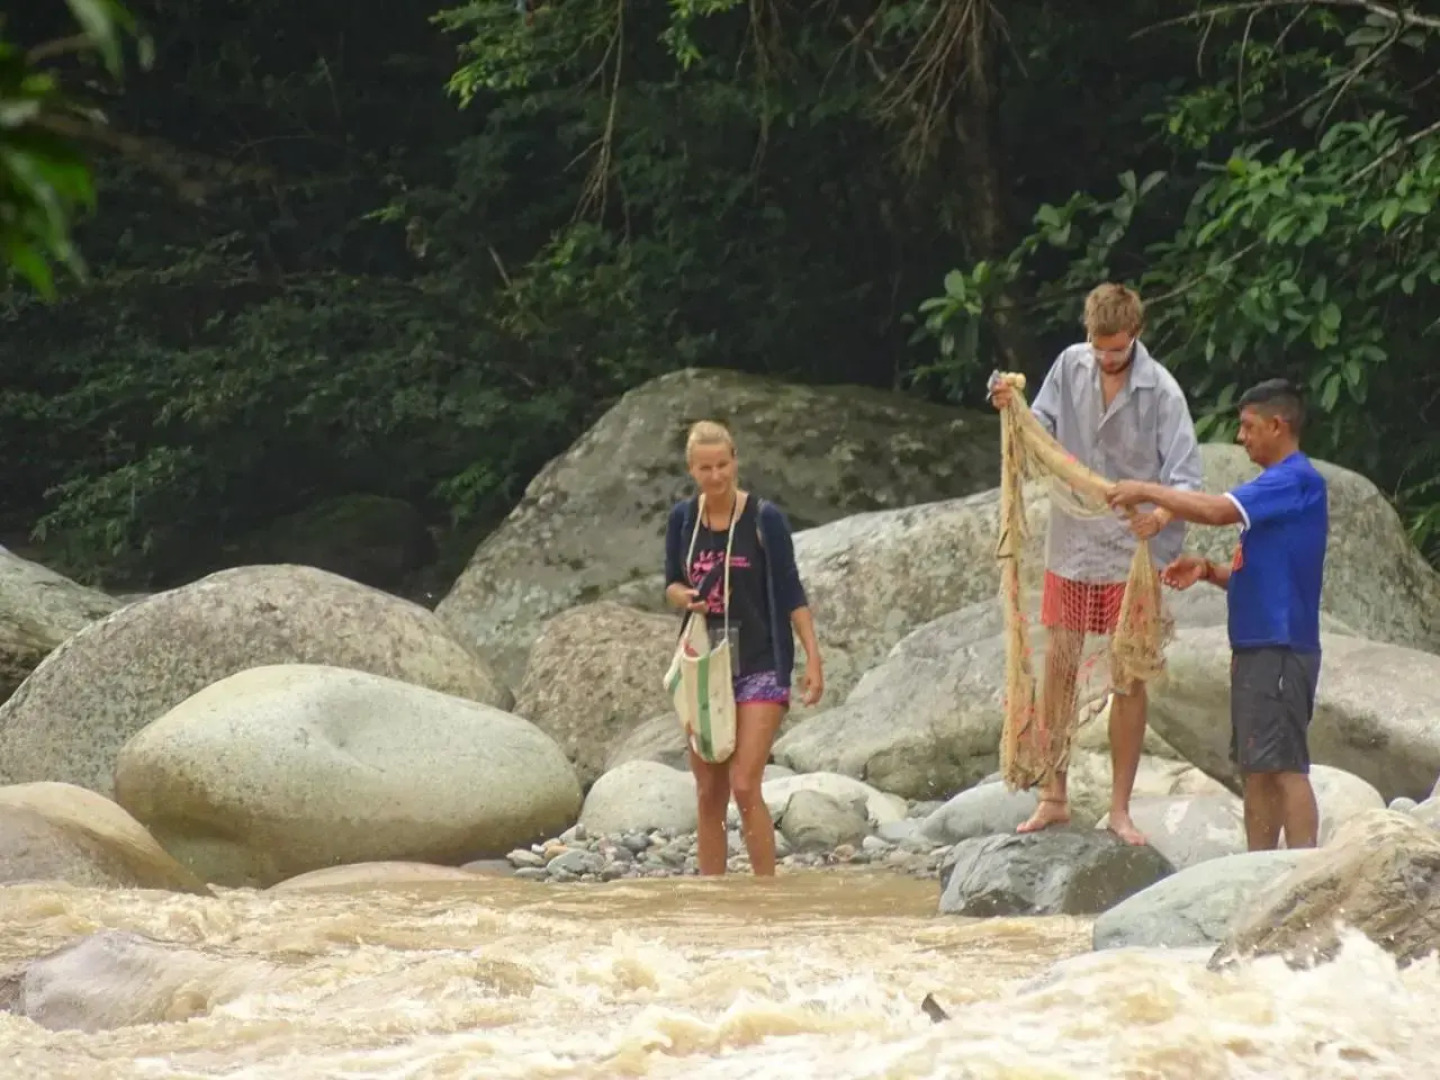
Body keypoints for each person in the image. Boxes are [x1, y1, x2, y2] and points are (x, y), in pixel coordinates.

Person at [989, 283, 1203, 844]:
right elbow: (1041, 433)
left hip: (1133, 554)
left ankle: (1120, 807)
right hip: (1075, 540)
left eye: (1117, 349)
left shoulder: (1162, 392)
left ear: (1136, 334)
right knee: (1059, 662)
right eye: (1099, 347)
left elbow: (1185, 480)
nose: (1106, 358)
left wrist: (1158, 515)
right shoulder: (1069, 366)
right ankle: (1053, 794)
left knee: (1128, 677)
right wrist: (1009, 406)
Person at [1107, 378, 1327, 852]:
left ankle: (1305, 873)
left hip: (1280, 645)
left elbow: (1212, 510)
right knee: (1256, 767)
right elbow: (1264, 574)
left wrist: (1148, 490)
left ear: (1277, 424)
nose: (1241, 437)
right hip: (1257, 646)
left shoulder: (1293, 479)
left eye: (1248, 427)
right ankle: (1260, 870)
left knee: (1285, 765)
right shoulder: (1280, 486)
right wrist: (1208, 570)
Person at [663, 421, 824, 876]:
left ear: (735, 461)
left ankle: (764, 894)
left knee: (745, 783)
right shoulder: (682, 519)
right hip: (704, 666)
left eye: (723, 465)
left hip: (760, 661)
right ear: (692, 469)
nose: (716, 476)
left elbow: (792, 592)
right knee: (707, 793)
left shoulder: (763, 519)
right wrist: (682, 596)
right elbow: (671, 583)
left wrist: (813, 657)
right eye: (705, 468)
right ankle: (714, 901)